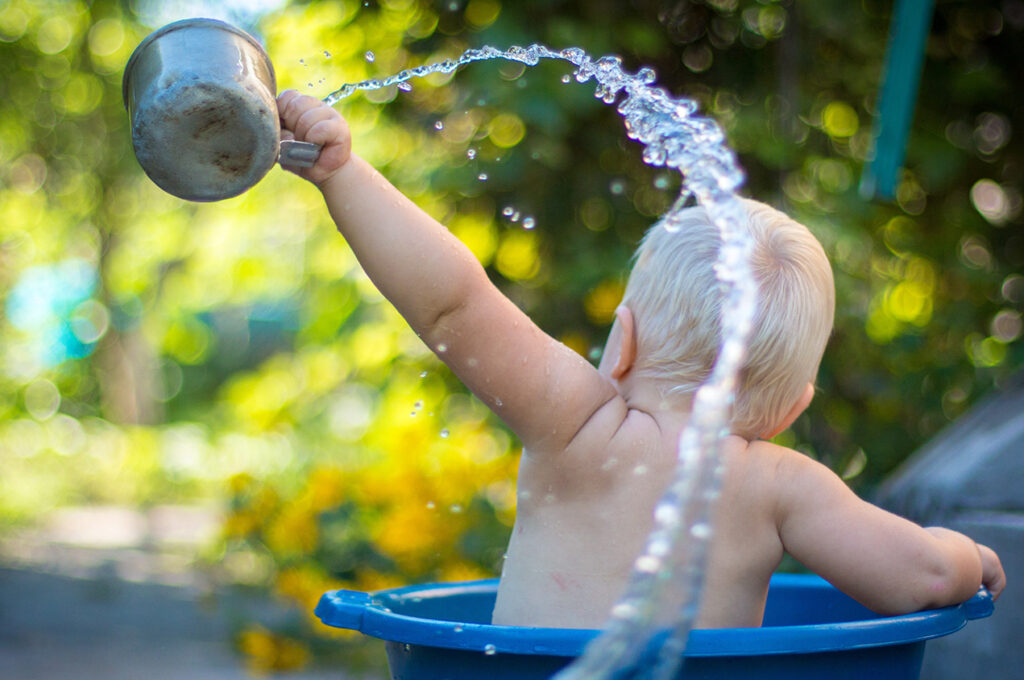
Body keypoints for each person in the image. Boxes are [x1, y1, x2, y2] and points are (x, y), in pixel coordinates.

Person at [276, 90, 1006, 630]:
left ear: (619, 342)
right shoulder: (782, 487)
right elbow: (924, 577)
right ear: (792, 409)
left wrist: (342, 172)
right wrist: (970, 556)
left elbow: (454, 305)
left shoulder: (578, 427)